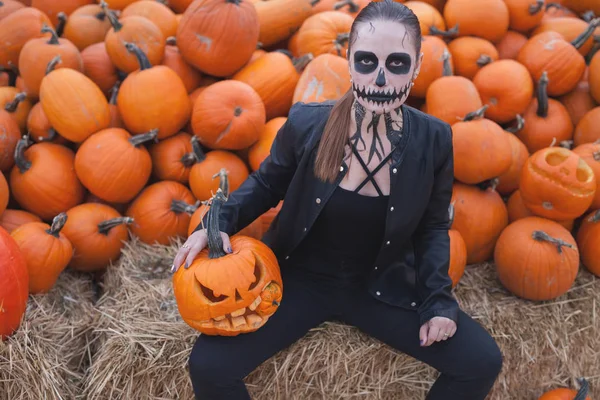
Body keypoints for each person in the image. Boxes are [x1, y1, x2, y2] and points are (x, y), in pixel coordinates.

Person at [172, 1, 503, 398]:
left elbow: (433, 226)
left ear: (416, 68)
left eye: (397, 64)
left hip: (379, 286)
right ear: (349, 61)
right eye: (367, 61)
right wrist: (216, 223)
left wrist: (437, 301)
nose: (380, 78)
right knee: (209, 367)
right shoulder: (307, 124)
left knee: (481, 361)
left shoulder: (434, 139)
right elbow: (264, 186)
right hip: (298, 281)